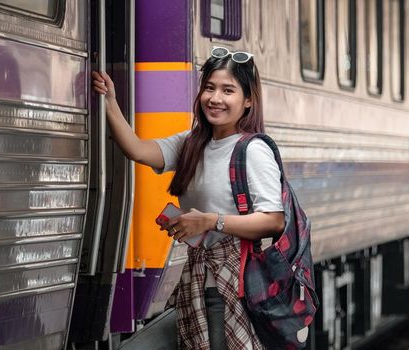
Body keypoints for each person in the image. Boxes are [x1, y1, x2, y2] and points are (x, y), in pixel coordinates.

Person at [92, 47, 284, 350]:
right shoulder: (192, 143)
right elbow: (138, 150)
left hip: (229, 288)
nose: (215, 98)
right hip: (197, 282)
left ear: (248, 100)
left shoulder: (253, 150)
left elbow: (273, 220)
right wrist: (111, 102)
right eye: (209, 87)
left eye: (227, 90)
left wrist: (209, 221)